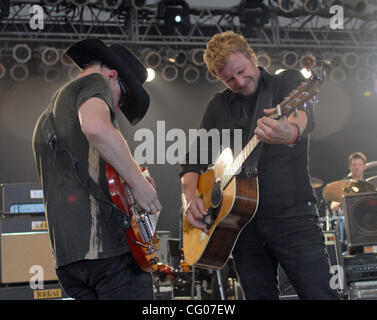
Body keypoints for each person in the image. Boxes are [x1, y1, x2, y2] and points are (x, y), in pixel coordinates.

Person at [180, 31, 339, 300]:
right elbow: (193, 158)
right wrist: (190, 196)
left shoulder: (286, 81)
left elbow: (303, 116)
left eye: (242, 71)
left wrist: (290, 132)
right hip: (240, 226)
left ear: (252, 55)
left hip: (293, 216)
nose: (239, 81)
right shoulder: (218, 106)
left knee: (319, 295)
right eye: (229, 78)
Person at [32, 39, 161, 300]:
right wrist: (139, 184)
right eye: (120, 100)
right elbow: (96, 128)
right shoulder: (96, 82)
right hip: (109, 252)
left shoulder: (46, 119)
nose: (115, 109)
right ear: (112, 76)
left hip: (69, 260)